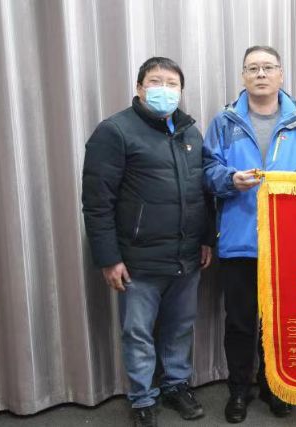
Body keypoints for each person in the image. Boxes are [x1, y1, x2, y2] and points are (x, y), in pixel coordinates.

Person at [82, 57, 214, 427]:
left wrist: (206, 239)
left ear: (181, 91)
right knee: (138, 333)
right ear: (140, 88)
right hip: (137, 260)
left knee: (180, 327)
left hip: (186, 255)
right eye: (156, 81)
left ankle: (176, 385)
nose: (164, 90)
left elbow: (202, 193)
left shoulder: (190, 132)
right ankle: (142, 398)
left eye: (172, 84)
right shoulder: (114, 132)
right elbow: (97, 203)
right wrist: (109, 258)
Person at [203, 45, 296, 423]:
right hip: (239, 238)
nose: (260, 74)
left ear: (281, 74)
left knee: (282, 321)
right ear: (243, 76)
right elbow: (207, 170)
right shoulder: (224, 122)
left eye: (268, 67)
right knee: (240, 321)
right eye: (253, 68)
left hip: (288, 241)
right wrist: (229, 179)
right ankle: (239, 390)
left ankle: (275, 386)